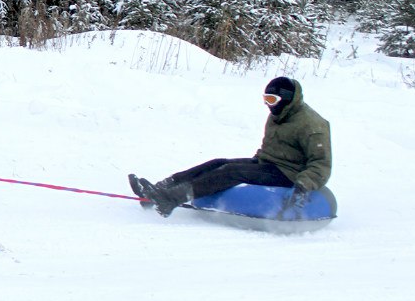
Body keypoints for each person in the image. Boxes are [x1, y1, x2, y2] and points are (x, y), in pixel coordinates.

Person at [130, 76, 332, 217]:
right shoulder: (279, 114)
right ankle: (163, 187)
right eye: (265, 99)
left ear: (286, 99)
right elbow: (273, 145)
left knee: (231, 171)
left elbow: (321, 164)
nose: (267, 104)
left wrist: (303, 186)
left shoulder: (313, 125)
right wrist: (255, 162)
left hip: (289, 174)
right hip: (268, 163)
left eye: (272, 100)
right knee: (218, 163)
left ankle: (172, 199)